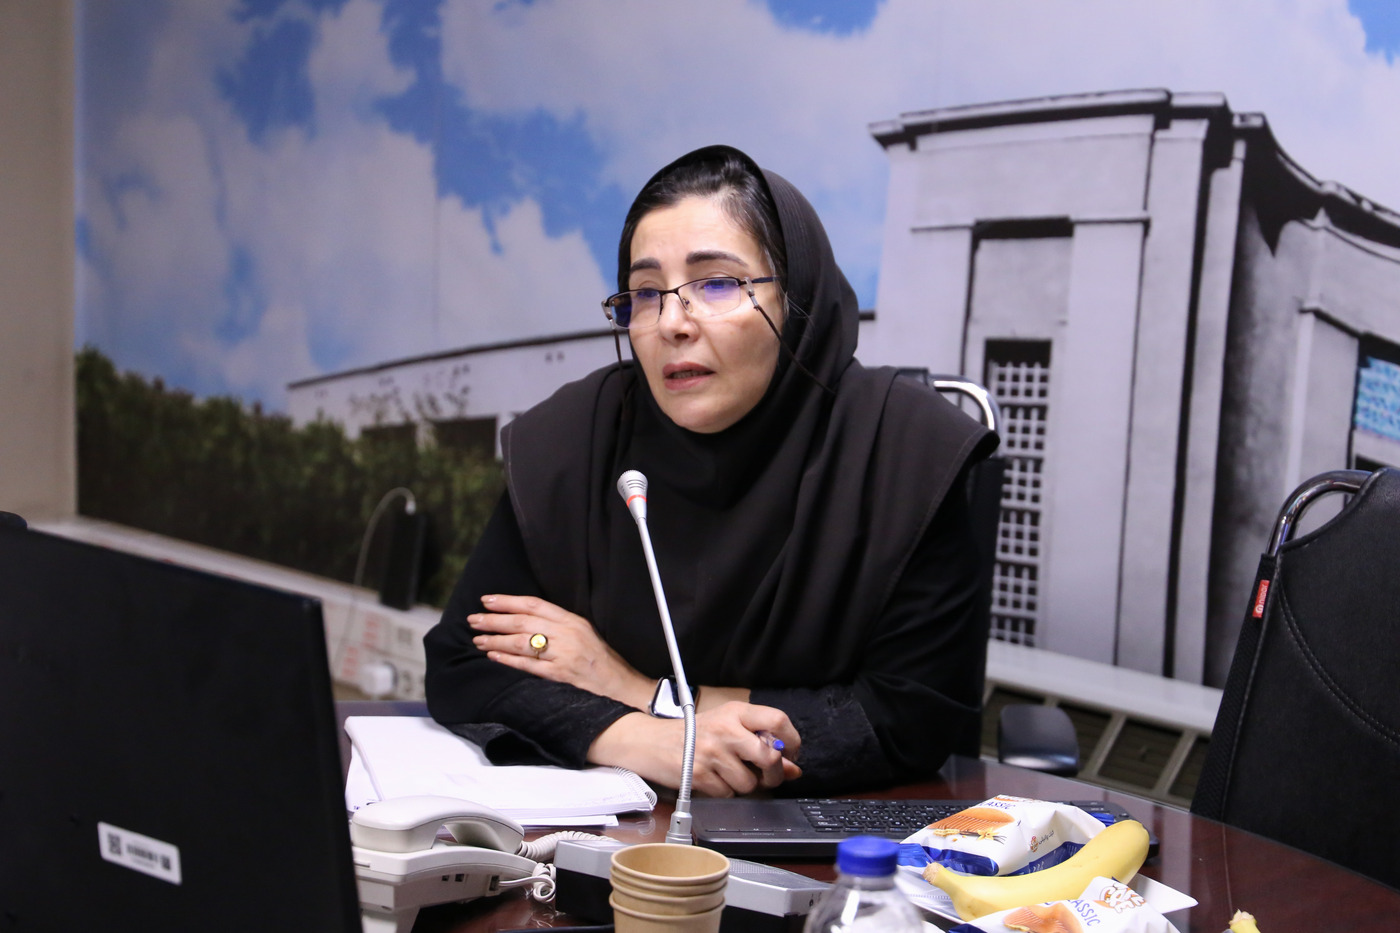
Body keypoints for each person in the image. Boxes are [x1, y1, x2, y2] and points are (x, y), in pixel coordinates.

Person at [424, 145, 997, 797]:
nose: (672, 322)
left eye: (717, 283)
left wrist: (639, 691)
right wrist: (646, 740)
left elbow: (905, 719)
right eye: (646, 293)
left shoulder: (903, 452)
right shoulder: (575, 437)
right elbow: (464, 662)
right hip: (612, 828)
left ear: (797, 298)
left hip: (829, 841)